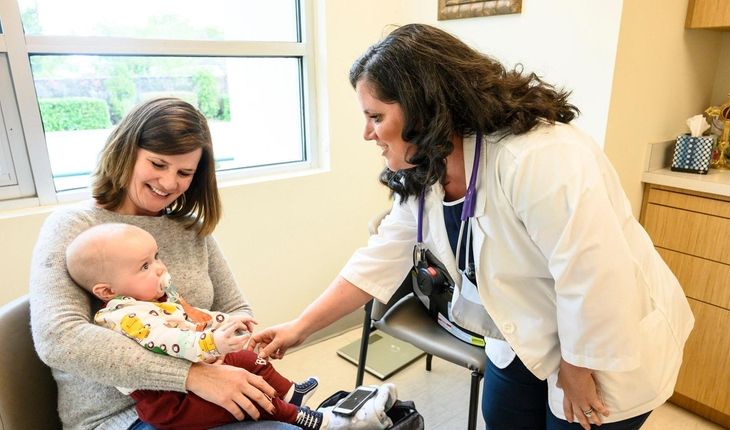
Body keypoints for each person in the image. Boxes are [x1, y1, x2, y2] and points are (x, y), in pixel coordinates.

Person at [250, 24, 695, 430]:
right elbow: (378, 260)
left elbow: (594, 274)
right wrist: (299, 327)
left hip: (601, 340)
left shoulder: (539, 157)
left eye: (376, 116)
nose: (367, 133)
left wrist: (578, 369)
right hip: (521, 333)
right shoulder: (427, 169)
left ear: (422, 109)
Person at [29, 97, 300, 430]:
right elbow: (60, 339)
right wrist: (191, 375)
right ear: (127, 151)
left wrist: (223, 345)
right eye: (158, 164)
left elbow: (235, 308)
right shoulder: (74, 227)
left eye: (184, 172)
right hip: (121, 417)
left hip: (209, 392)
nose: (169, 183)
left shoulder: (190, 230)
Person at [64, 222, 332, 430]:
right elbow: (165, 339)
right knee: (249, 400)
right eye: (145, 266)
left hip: (192, 374)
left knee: (246, 359)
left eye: (156, 257)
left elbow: (194, 316)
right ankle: (295, 414)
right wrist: (211, 344)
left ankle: (290, 393)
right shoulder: (125, 316)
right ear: (107, 290)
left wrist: (227, 321)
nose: (160, 269)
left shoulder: (155, 300)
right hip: (168, 402)